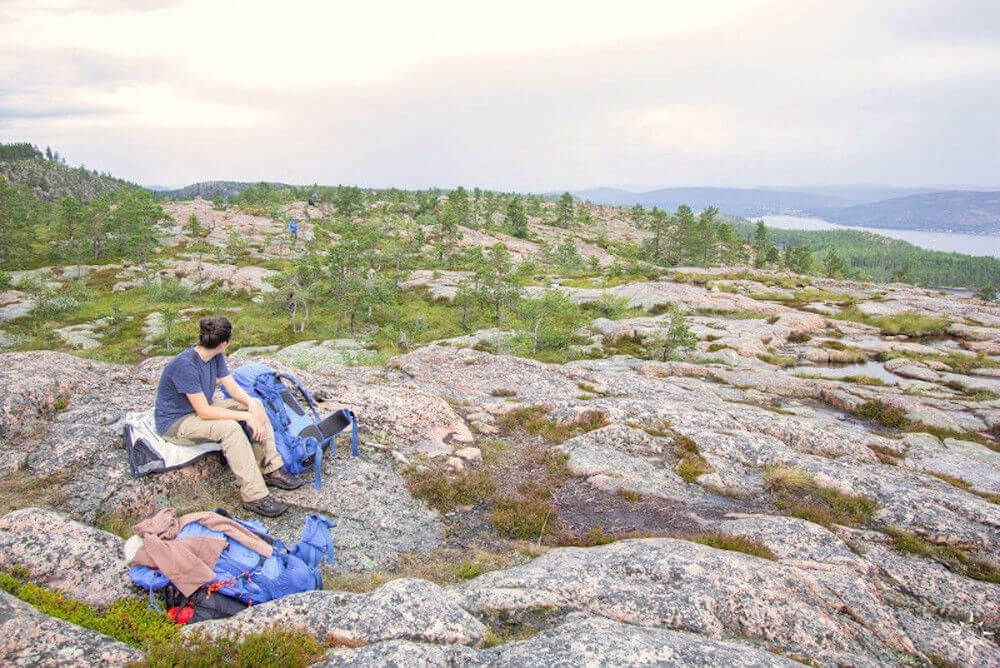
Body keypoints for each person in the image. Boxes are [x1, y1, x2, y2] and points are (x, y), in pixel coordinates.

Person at [153, 317, 303, 517]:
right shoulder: (185, 365)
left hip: (202, 408)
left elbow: (231, 387)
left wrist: (251, 404)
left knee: (256, 405)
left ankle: (270, 468)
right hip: (177, 422)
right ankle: (255, 496)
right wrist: (246, 417)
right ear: (224, 342)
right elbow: (204, 411)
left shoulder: (214, 355)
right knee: (230, 428)